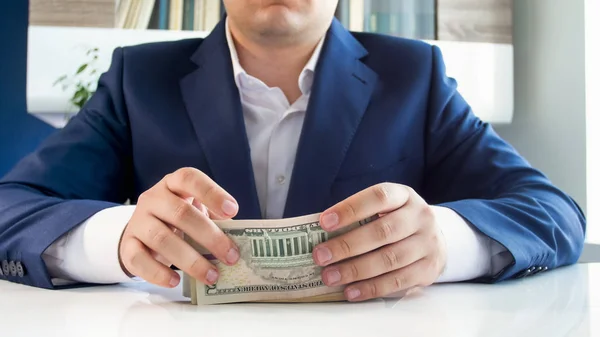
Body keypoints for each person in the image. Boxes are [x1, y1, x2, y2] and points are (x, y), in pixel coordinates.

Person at [0, 0, 585, 301]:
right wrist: (121, 239)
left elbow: (552, 212)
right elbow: (12, 208)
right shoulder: (139, 80)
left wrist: (443, 242)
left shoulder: (414, 77)